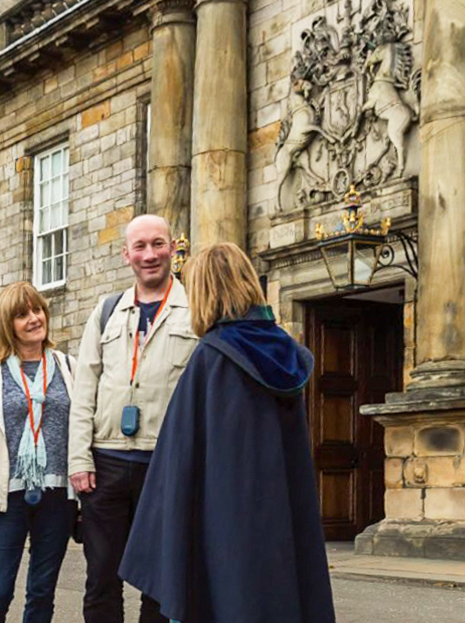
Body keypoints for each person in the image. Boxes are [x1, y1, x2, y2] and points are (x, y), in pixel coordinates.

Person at [119, 242, 335, 623]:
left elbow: (180, 458)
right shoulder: (285, 352)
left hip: (222, 524)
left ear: (205, 292)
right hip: (281, 514)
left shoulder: (213, 357)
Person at [68, 214, 196, 623]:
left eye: (158, 244)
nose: (150, 254)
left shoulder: (196, 310)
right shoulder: (106, 311)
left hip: (165, 462)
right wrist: (79, 459)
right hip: (106, 463)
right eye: (140, 247)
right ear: (126, 255)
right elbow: (84, 388)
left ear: (173, 249)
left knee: (159, 581)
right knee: (101, 576)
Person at [0, 281, 77, 623]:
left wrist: (82, 500)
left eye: (37, 310)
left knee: (42, 593)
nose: (33, 319)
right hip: (4, 499)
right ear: (7, 324)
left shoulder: (68, 367)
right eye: (22, 314)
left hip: (57, 497)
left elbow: (82, 431)